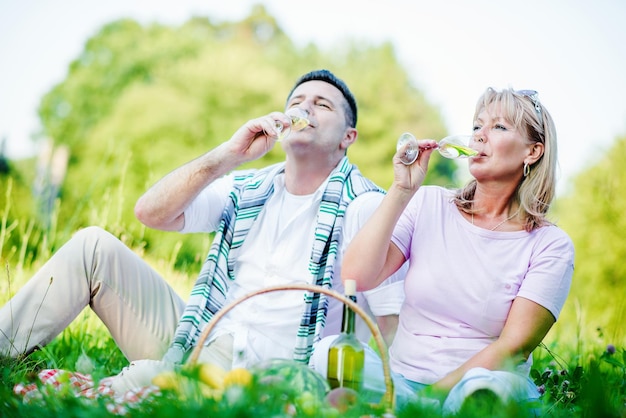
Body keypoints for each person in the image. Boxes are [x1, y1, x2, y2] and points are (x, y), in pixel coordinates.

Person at [0, 70, 404, 390]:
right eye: (297, 101)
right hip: (203, 340)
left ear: (348, 138)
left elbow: (389, 323)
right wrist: (228, 155)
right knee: (93, 246)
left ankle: (142, 386)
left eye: (322, 105)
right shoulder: (247, 186)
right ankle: (4, 355)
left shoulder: (367, 205)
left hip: (279, 372)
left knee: (146, 383)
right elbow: (150, 213)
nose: (306, 109)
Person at [334, 87, 575, 413]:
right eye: (477, 126)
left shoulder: (550, 245)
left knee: (482, 391)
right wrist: (402, 190)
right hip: (403, 380)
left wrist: (427, 400)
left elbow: (512, 348)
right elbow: (356, 277)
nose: (479, 136)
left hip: (483, 383)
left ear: (532, 152)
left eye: (499, 127)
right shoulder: (428, 203)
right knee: (326, 355)